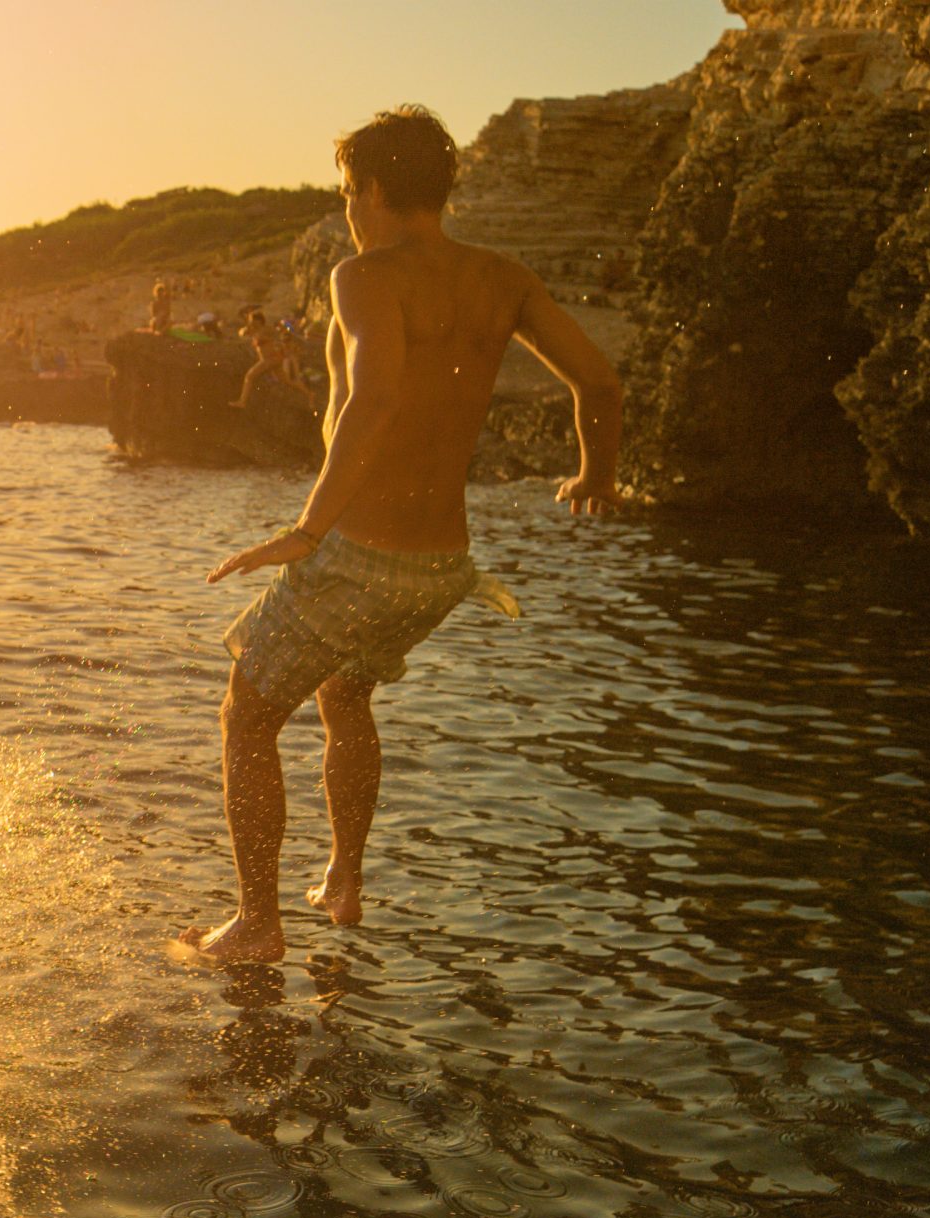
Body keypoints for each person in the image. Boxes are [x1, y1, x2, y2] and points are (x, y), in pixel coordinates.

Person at [181, 105, 624, 964]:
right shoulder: (505, 278)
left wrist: (307, 531)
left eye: (350, 191)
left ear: (376, 189)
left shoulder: (365, 274)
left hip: (359, 553)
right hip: (441, 567)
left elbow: (373, 400)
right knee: (346, 696)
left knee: (246, 714)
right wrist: (594, 476)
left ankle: (256, 925)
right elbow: (599, 382)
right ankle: (343, 879)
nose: (349, 209)